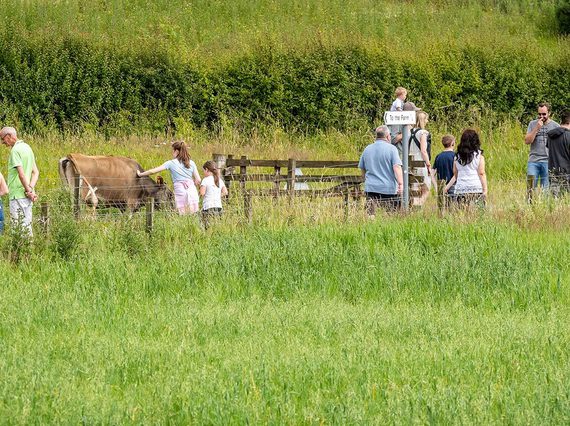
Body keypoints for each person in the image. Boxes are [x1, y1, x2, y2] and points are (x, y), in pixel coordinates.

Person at [137, 140, 201, 214]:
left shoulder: (171, 163)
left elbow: (153, 171)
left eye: (173, 150)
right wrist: (191, 183)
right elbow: (198, 180)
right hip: (192, 190)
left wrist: (140, 174)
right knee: (193, 213)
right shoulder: (191, 163)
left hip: (180, 190)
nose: (172, 152)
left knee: (182, 214)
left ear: (176, 151)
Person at [0, 127, 39, 236]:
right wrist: (30, 190)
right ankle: (29, 252)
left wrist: (28, 190)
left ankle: (18, 253)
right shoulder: (27, 147)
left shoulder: (15, 151)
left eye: (3, 139)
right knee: (27, 226)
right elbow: (36, 172)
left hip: (17, 195)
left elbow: (21, 174)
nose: (3, 142)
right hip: (27, 195)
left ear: (9, 136)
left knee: (17, 228)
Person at [359, 125, 403, 215]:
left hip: (371, 187)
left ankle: (370, 228)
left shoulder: (367, 149)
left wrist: (365, 180)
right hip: (389, 188)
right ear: (387, 136)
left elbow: (362, 168)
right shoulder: (392, 149)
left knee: (370, 214)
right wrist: (401, 184)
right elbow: (396, 167)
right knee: (391, 214)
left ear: (376, 136)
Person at [444, 129, 487, 206]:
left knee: (462, 212)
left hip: (461, 189)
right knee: (478, 213)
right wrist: (485, 189)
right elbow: (481, 173)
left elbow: (455, 173)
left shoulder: (457, 157)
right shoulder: (479, 156)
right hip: (476, 188)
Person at [525, 102, 559, 189]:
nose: (541, 116)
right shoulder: (532, 124)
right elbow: (527, 141)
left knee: (546, 191)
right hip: (533, 161)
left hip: (548, 162)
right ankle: (529, 202)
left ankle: (543, 203)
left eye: (544, 114)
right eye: (539, 114)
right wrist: (536, 128)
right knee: (530, 187)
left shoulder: (555, 126)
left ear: (549, 113)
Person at [408, 111, 432, 206]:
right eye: (426, 119)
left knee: (414, 188)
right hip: (420, 162)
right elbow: (423, 151)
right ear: (422, 120)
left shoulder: (409, 133)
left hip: (410, 163)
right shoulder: (423, 133)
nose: (427, 121)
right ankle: (418, 205)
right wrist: (428, 164)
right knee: (426, 188)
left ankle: (414, 206)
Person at [547, 110, 570, 196]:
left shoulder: (550, 135)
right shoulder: (568, 135)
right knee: (566, 199)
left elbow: (549, 148)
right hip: (567, 172)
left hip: (552, 171)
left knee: (555, 199)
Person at [388, 87, 408, 158]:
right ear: (401, 94)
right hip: (395, 120)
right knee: (395, 136)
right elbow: (398, 108)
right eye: (405, 95)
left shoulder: (400, 101)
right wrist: (404, 115)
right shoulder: (398, 101)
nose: (405, 97)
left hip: (396, 120)